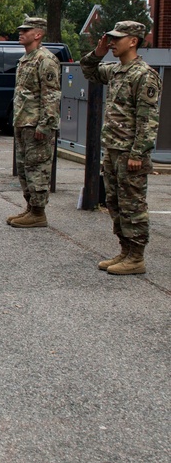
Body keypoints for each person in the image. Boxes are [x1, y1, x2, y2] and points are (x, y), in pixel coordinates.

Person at [81, 21, 162, 275]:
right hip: (113, 149)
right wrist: (98, 53)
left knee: (133, 205)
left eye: (117, 38)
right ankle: (125, 250)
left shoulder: (144, 74)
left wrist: (138, 153)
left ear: (133, 41)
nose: (112, 42)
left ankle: (136, 257)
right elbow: (88, 69)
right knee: (115, 203)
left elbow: (148, 120)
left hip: (130, 153)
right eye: (111, 38)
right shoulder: (116, 70)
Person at [8, 17, 61, 228]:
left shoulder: (45, 60)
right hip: (23, 122)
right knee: (24, 168)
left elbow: (51, 95)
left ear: (37, 34)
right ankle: (31, 207)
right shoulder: (26, 58)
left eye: (26, 30)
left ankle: (39, 213)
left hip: (35, 124)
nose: (21, 33)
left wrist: (45, 124)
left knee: (37, 168)